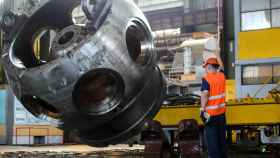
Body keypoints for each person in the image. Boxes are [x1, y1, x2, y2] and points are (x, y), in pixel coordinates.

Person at [200, 54, 227, 158]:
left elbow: (205, 94)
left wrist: (202, 109)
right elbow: (222, 67)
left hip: (210, 116)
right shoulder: (222, 76)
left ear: (210, 67)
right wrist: (218, 54)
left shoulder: (207, 79)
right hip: (221, 114)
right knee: (221, 140)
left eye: (206, 68)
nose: (206, 70)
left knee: (212, 142)